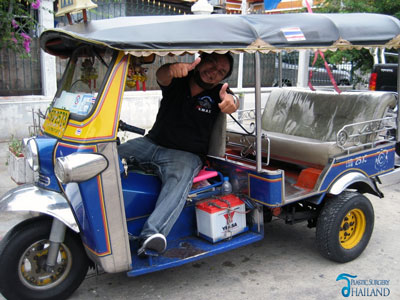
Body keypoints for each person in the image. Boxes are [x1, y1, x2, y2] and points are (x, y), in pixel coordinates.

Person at [118, 52, 239, 257]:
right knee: (109, 156)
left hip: (185, 155)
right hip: (151, 143)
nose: (214, 73)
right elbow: (162, 75)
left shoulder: (220, 93)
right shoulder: (179, 80)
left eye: (221, 72)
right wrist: (170, 68)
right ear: (201, 60)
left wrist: (232, 102)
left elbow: (232, 100)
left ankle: (151, 236)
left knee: (179, 181)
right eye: (212, 64)